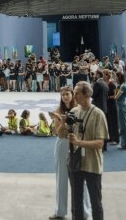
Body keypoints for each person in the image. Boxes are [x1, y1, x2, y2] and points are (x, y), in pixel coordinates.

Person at [64, 81, 107, 220]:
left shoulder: (98, 114)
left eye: (77, 93)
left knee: (96, 203)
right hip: (76, 163)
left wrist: (79, 142)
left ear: (87, 94)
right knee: (76, 202)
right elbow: (62, 133)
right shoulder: (74, 111)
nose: (74, 96)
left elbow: (100, 143)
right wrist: (61, 123)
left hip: (92, 165)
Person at [48, 86, 91, 220]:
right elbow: (58, 133)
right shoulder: (58, 111)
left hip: (77, 143)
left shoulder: (79, 109)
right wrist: (62, 120)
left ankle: (85, 212)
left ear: (72, 95)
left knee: (80, 178)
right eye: (63, 95)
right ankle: (60, 211)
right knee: (61, 177)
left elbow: (81, 128)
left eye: (68, 94)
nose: (65, 96)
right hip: (62, 144)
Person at [90, 71, 108, 150]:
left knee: (97, 128)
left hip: (97, 107)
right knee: (103, 128)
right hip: (104, 107)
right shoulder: (105, 83)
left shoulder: (97, 83)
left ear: (97, 75)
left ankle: (98, 146)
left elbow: (93, 95)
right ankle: (104, 146)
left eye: (95, 74)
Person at [114, 70, 126, 150]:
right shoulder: (123, 85)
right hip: (121, 105)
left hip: (121, 106)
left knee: (123, 126)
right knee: (122, 125)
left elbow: (116, 97)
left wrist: (116, 90)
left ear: (119, 77)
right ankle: (124, 143)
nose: (115, 78)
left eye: (116, 77)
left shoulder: (123, 86)